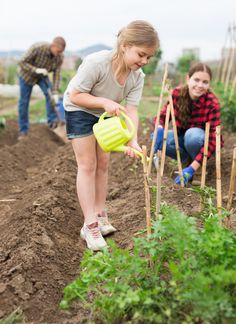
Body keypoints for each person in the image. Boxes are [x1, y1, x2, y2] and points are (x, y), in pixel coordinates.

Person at [64, 20, 159, 251]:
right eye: (141, 54)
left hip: (106, 115)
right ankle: (90, 224)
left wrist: (132, 139)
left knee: (103, 163)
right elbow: (76, 95)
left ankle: (100, 212)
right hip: (80, 109)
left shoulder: (138, 77)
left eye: (149, 57)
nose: (144, 61)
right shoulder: (96, 63)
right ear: (125, 45)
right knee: (87, 164)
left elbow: (132, 110)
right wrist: (103, 101)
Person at [152, 63, 223, 185]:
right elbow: (163, 116)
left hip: (198, 142)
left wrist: (193, 168)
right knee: (160, 138)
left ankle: (197, 167)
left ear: (209, 84)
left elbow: (213, 140)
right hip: (181, 139)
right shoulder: (176, 94)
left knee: (192, 135)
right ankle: (185, 161)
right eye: (196, 80)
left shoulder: (212, 103)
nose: (200, 85)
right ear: (188, 78)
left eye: (205, 82)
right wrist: (159, 128)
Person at [18, 36, 66, 139]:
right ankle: (23, 131)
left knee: (51, 98)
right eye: (58, 51)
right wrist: (35, 70)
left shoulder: (59, 57)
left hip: (42, 77)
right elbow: (21, 62)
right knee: (24, 102)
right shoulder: (38, 48)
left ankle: (52, 124)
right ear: (52, 46)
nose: (59, 54)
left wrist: (55, 92)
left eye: (61, 52)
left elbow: (56, 74)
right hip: (26, 76)